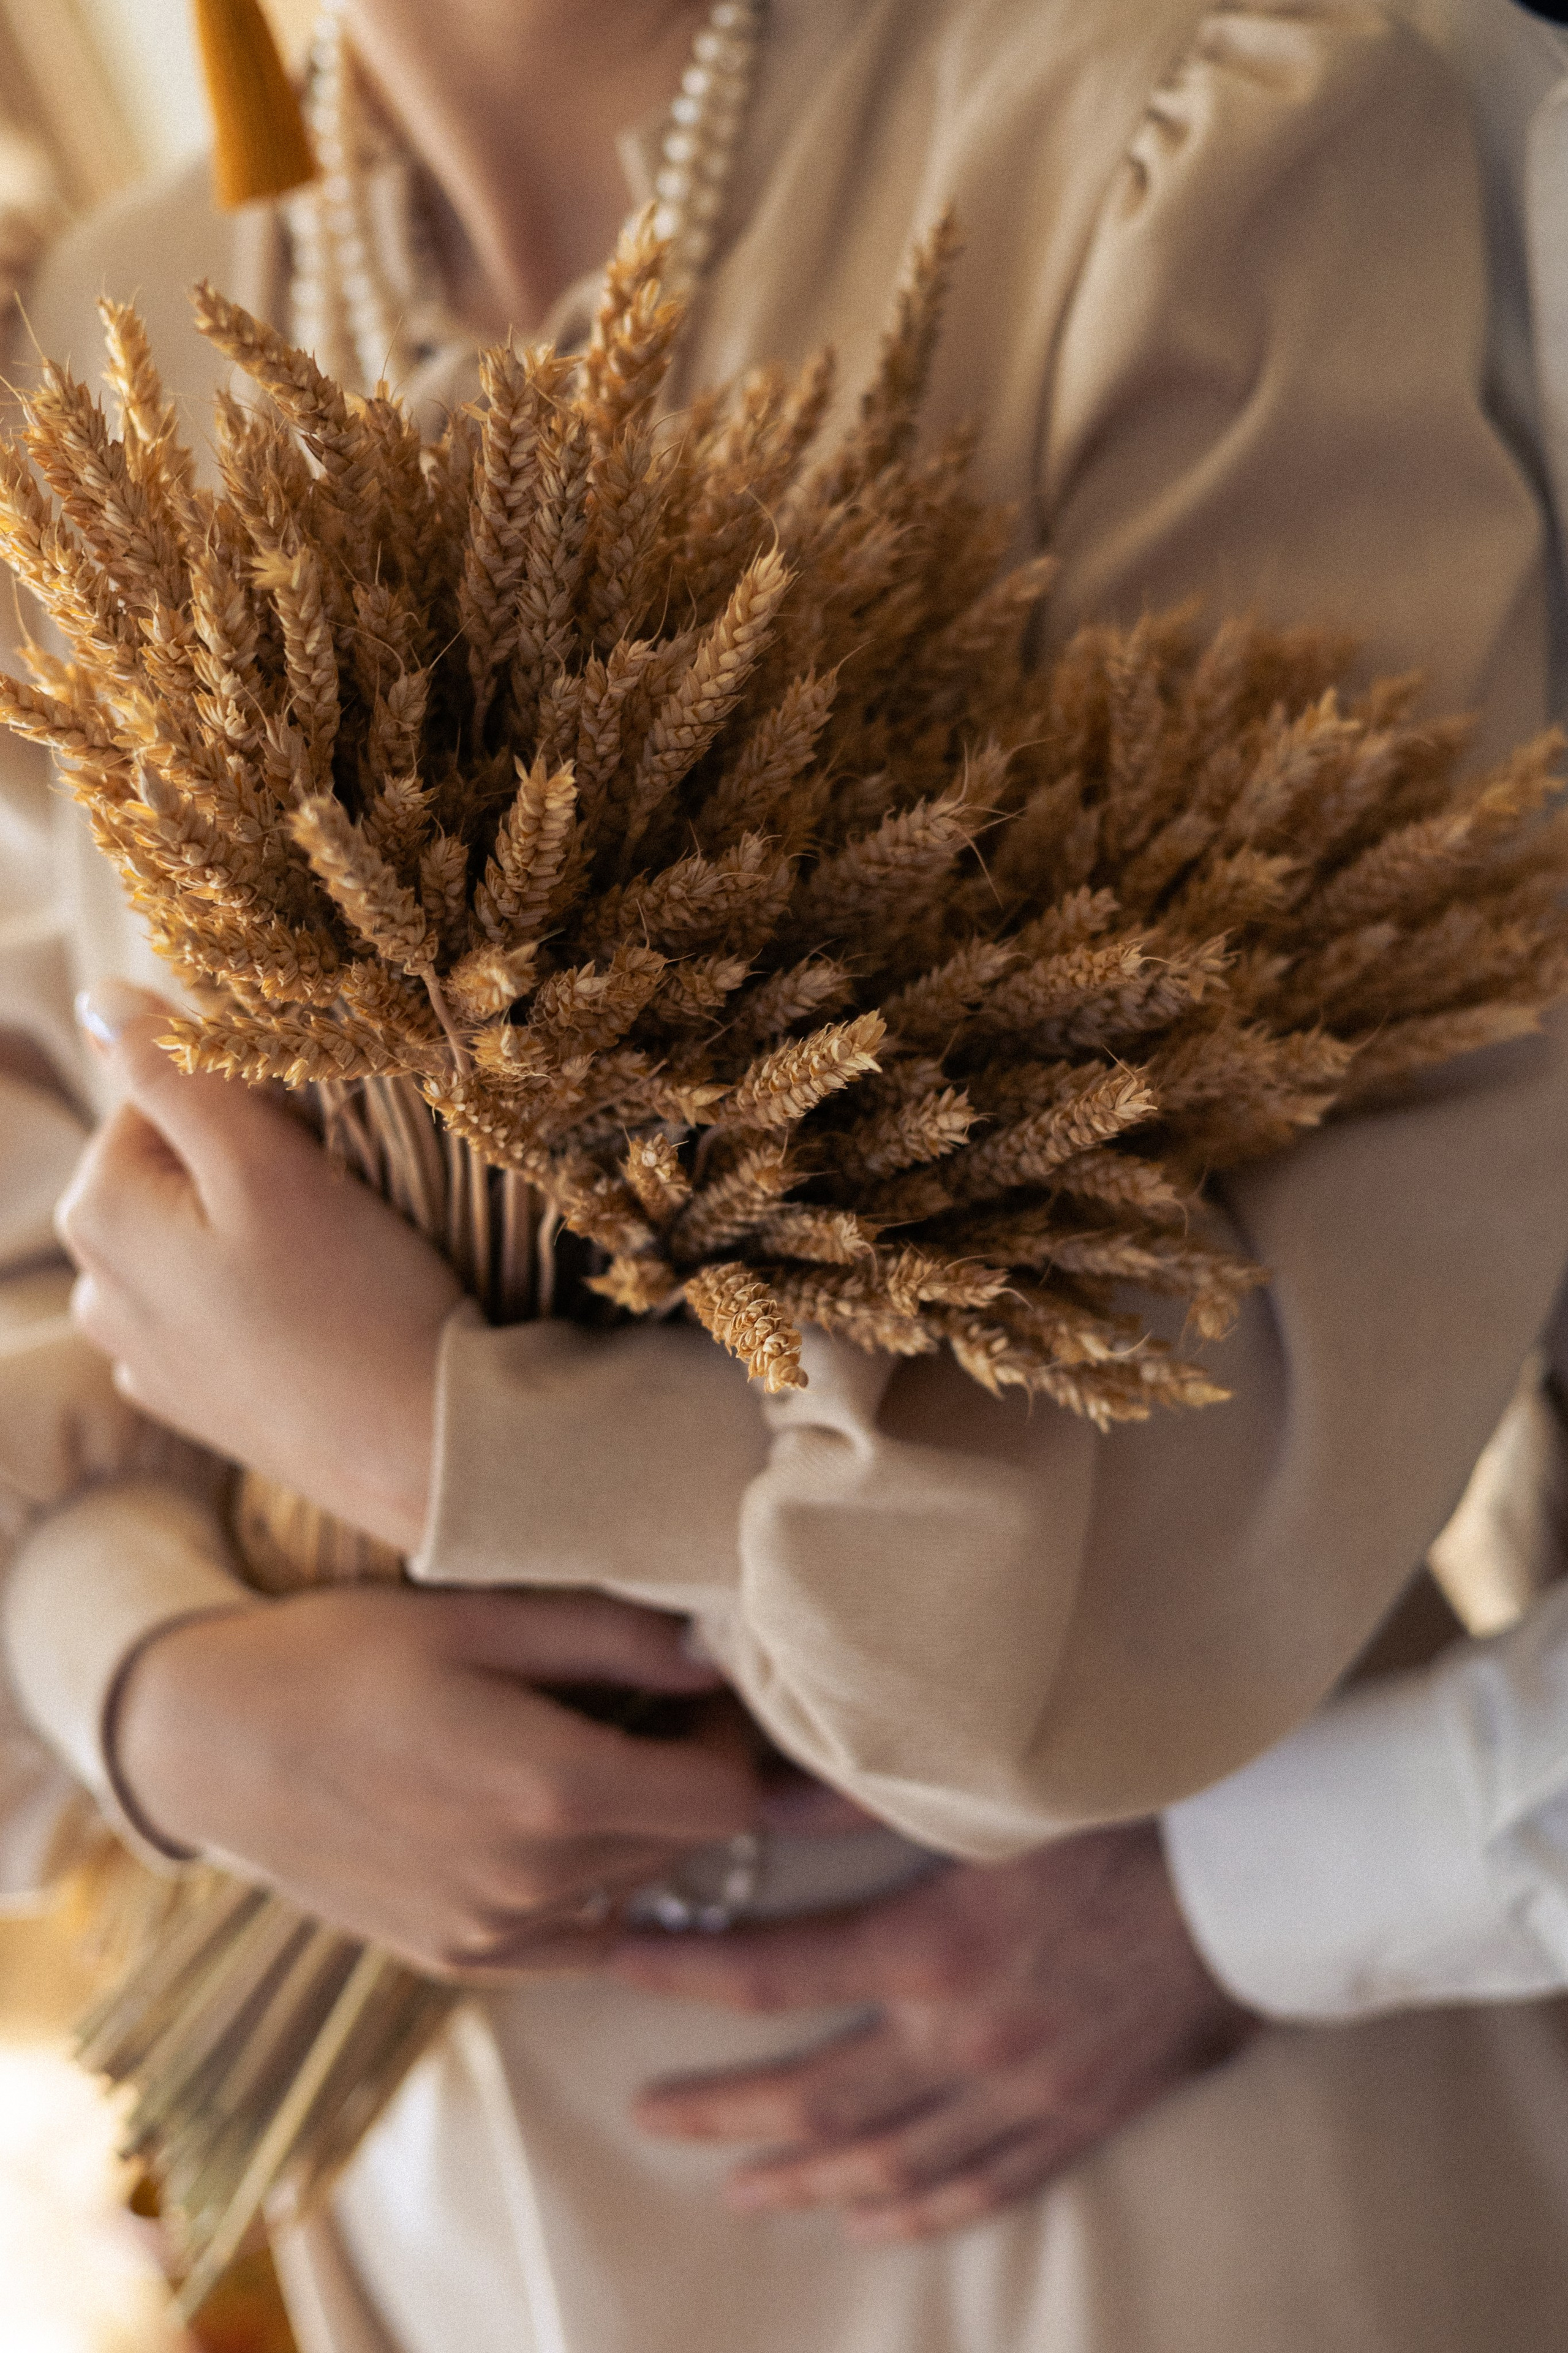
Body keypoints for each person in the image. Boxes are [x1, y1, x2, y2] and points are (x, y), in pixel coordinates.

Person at [6, 3, 1568, 2349]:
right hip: (450, 2218)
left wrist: (440, 1436)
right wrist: (145, 1678)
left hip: (1080, 2186)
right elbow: (38, 1197)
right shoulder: (115, 325)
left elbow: (1230, 1442)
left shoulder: (1172, 154)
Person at [567, 0, 1568, 2251]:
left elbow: (1247, 1335)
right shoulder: (127, 308)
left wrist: (1269, 1885)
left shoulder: (1228, 143)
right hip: (515, 2163)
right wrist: (141, 1667)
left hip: (1169, 2082)